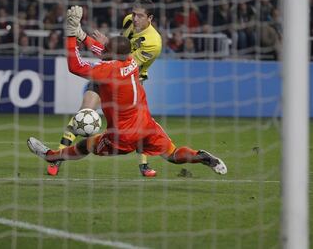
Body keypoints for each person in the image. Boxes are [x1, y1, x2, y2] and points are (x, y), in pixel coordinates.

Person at [27, 10, 227, 177]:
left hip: (122, 134)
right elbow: (104, 50)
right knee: (173, 154)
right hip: (147, 125)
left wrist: (71, 35)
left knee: (85, 145)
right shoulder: (131, 62)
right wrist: (82, 35)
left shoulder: (108, 70)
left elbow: (75, 66)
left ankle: (51, 156)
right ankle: (199, 156)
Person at [48, 0, 163, 177]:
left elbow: (120, 61)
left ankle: (144, 166)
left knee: (140, 124)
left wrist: (82, 36)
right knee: (83, 113)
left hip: (129, 82)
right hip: (109, 75)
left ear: (150, 18)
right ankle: (57, 157)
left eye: (140, 16)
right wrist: (94, 40)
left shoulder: (153, 42)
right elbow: (113, 54)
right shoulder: (128, 21)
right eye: (133, 14)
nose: (134, 19)